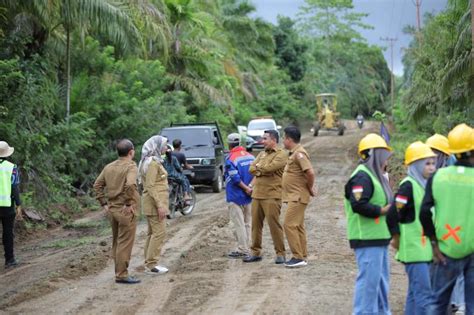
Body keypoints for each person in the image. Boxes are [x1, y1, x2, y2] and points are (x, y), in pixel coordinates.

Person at [420, 123, 474, 314]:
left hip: (445, 249)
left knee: (437, 302)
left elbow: (424, 212)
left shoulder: (438, 177)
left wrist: (433, 243)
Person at [344, 133, 393, 315]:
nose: (387, 159)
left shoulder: (376, 176)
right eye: (383, 154)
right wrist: (383, 210)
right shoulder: (362, 177)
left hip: (379, 237)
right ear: (373, 154)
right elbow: (358, 204)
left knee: (380, 282)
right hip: (367, 238)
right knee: (368, 284)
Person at [387, 141, 436, 314]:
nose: (431, 168)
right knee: (424, 295)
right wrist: (396, 237)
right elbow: (393, 213)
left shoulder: (424, 185)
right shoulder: (408, 186)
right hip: (414, 250)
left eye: (433, 163)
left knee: (415, 294)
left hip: (423, 249)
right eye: (427, 164)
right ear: (416, 165)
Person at [94, 139, 140, 284]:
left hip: (113, 210)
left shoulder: (108, 167)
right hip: (125, 211)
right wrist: (127, 203)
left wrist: (104, 203)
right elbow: (131, 184)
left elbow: (97, 185)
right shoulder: (131, 166)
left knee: (117, 241)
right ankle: (121, 274)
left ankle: (118, 272)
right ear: (131, 152)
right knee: (125, 243)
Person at [243, 129, 288, 264]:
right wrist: (261, 168)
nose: (262, 141)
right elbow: (251, 169)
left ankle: (280, 253)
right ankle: (255, 252)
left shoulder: (282, 154)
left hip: (272, 195)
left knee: (274, 225)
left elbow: (270, 168)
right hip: (257, 195)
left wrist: (259, 168)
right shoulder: (262, 154)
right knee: (255, 226)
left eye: (265, 139)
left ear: (273, 140)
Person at [281, 126, 315, 268]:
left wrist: (309, 187)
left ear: (289, 139)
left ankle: (297, 256)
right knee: (298, 226)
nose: (283, 140)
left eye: (284, 138)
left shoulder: (299, 154)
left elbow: (310, 173)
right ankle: (302, 255)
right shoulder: (293, 153)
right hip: (295, 196)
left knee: (289, 224)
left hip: (298, 197)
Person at [138, 135, 169, 275]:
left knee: (152, 233)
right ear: (156, 147)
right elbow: (150, 186)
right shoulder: (153, 164)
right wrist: (160, 206)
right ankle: (151, 265)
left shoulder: (152, 161)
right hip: (155, 204)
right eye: (164, 145)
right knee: (159, 233)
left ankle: (149, 263)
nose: (166, 148)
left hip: (153, 203)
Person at [224, 133, 255, 258]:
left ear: (229, 144)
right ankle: (248, 246)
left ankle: (243, 249)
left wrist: (245, 188)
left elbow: (235, 178)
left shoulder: (230, 158)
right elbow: (256, 174)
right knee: (247, 222)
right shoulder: (251, 156)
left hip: (235, 195)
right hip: (249, 195)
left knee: (238, 223)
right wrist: (250, 187)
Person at [0, 141, 22, 268]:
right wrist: (18, 204)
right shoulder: (11, 167)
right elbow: (14, 187)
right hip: (7, 206)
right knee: (7, 233)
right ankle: (10, 260)